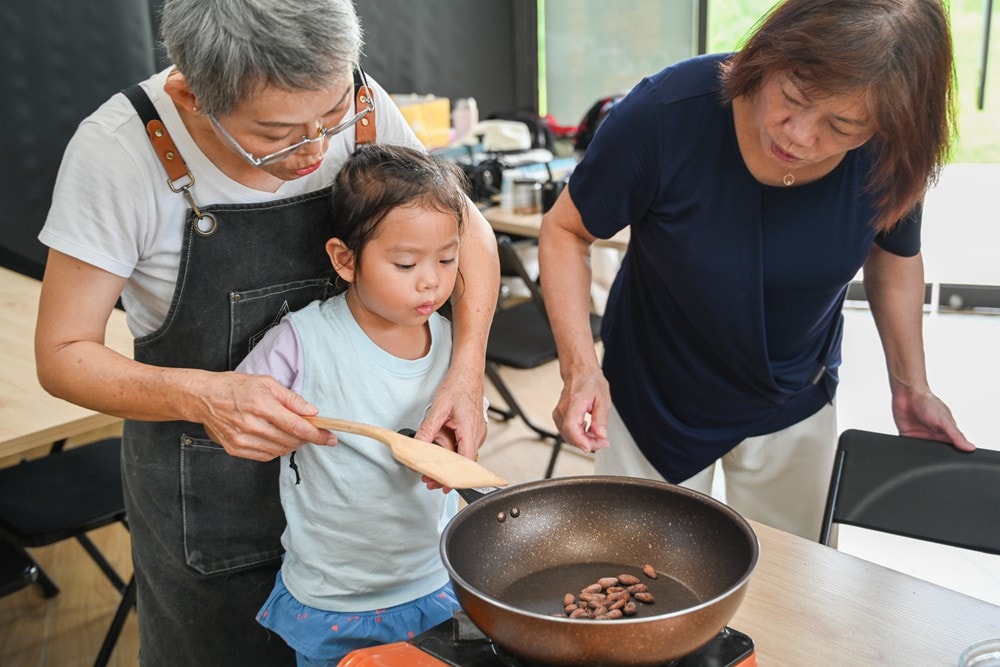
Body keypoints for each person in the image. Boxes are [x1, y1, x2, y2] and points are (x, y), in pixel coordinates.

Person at [34, 1, 499, 664]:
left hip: (372, 529)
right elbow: (62, 354)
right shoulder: (119, 152)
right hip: (209, 507)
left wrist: (466, 370)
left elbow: (468, 229)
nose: (316, 150)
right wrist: (205, 395)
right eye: (278, 133)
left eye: (331, 117)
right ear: (189, 94)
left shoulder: (361, 101)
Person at [538, 0, 975, 541]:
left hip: (793, 392)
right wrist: (580, 368)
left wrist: (911, 385)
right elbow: (565, 231)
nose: (798, 135)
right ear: (771, 52)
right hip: (654, 391)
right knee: (638, 578)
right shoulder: (667, 112)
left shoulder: (891, 151)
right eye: (792, 97)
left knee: (798, 584)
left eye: (841, 125)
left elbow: (893, 252)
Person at [237, 144, 468, 664]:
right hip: (334, 592)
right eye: (406, 263)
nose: (431, 279)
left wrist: (453, 445)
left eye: (448, 258)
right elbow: (240, 412)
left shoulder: (453, 340)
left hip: (433, 576)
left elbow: (464, 423)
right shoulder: (304, 340)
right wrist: (270, 423)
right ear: (345, 259)